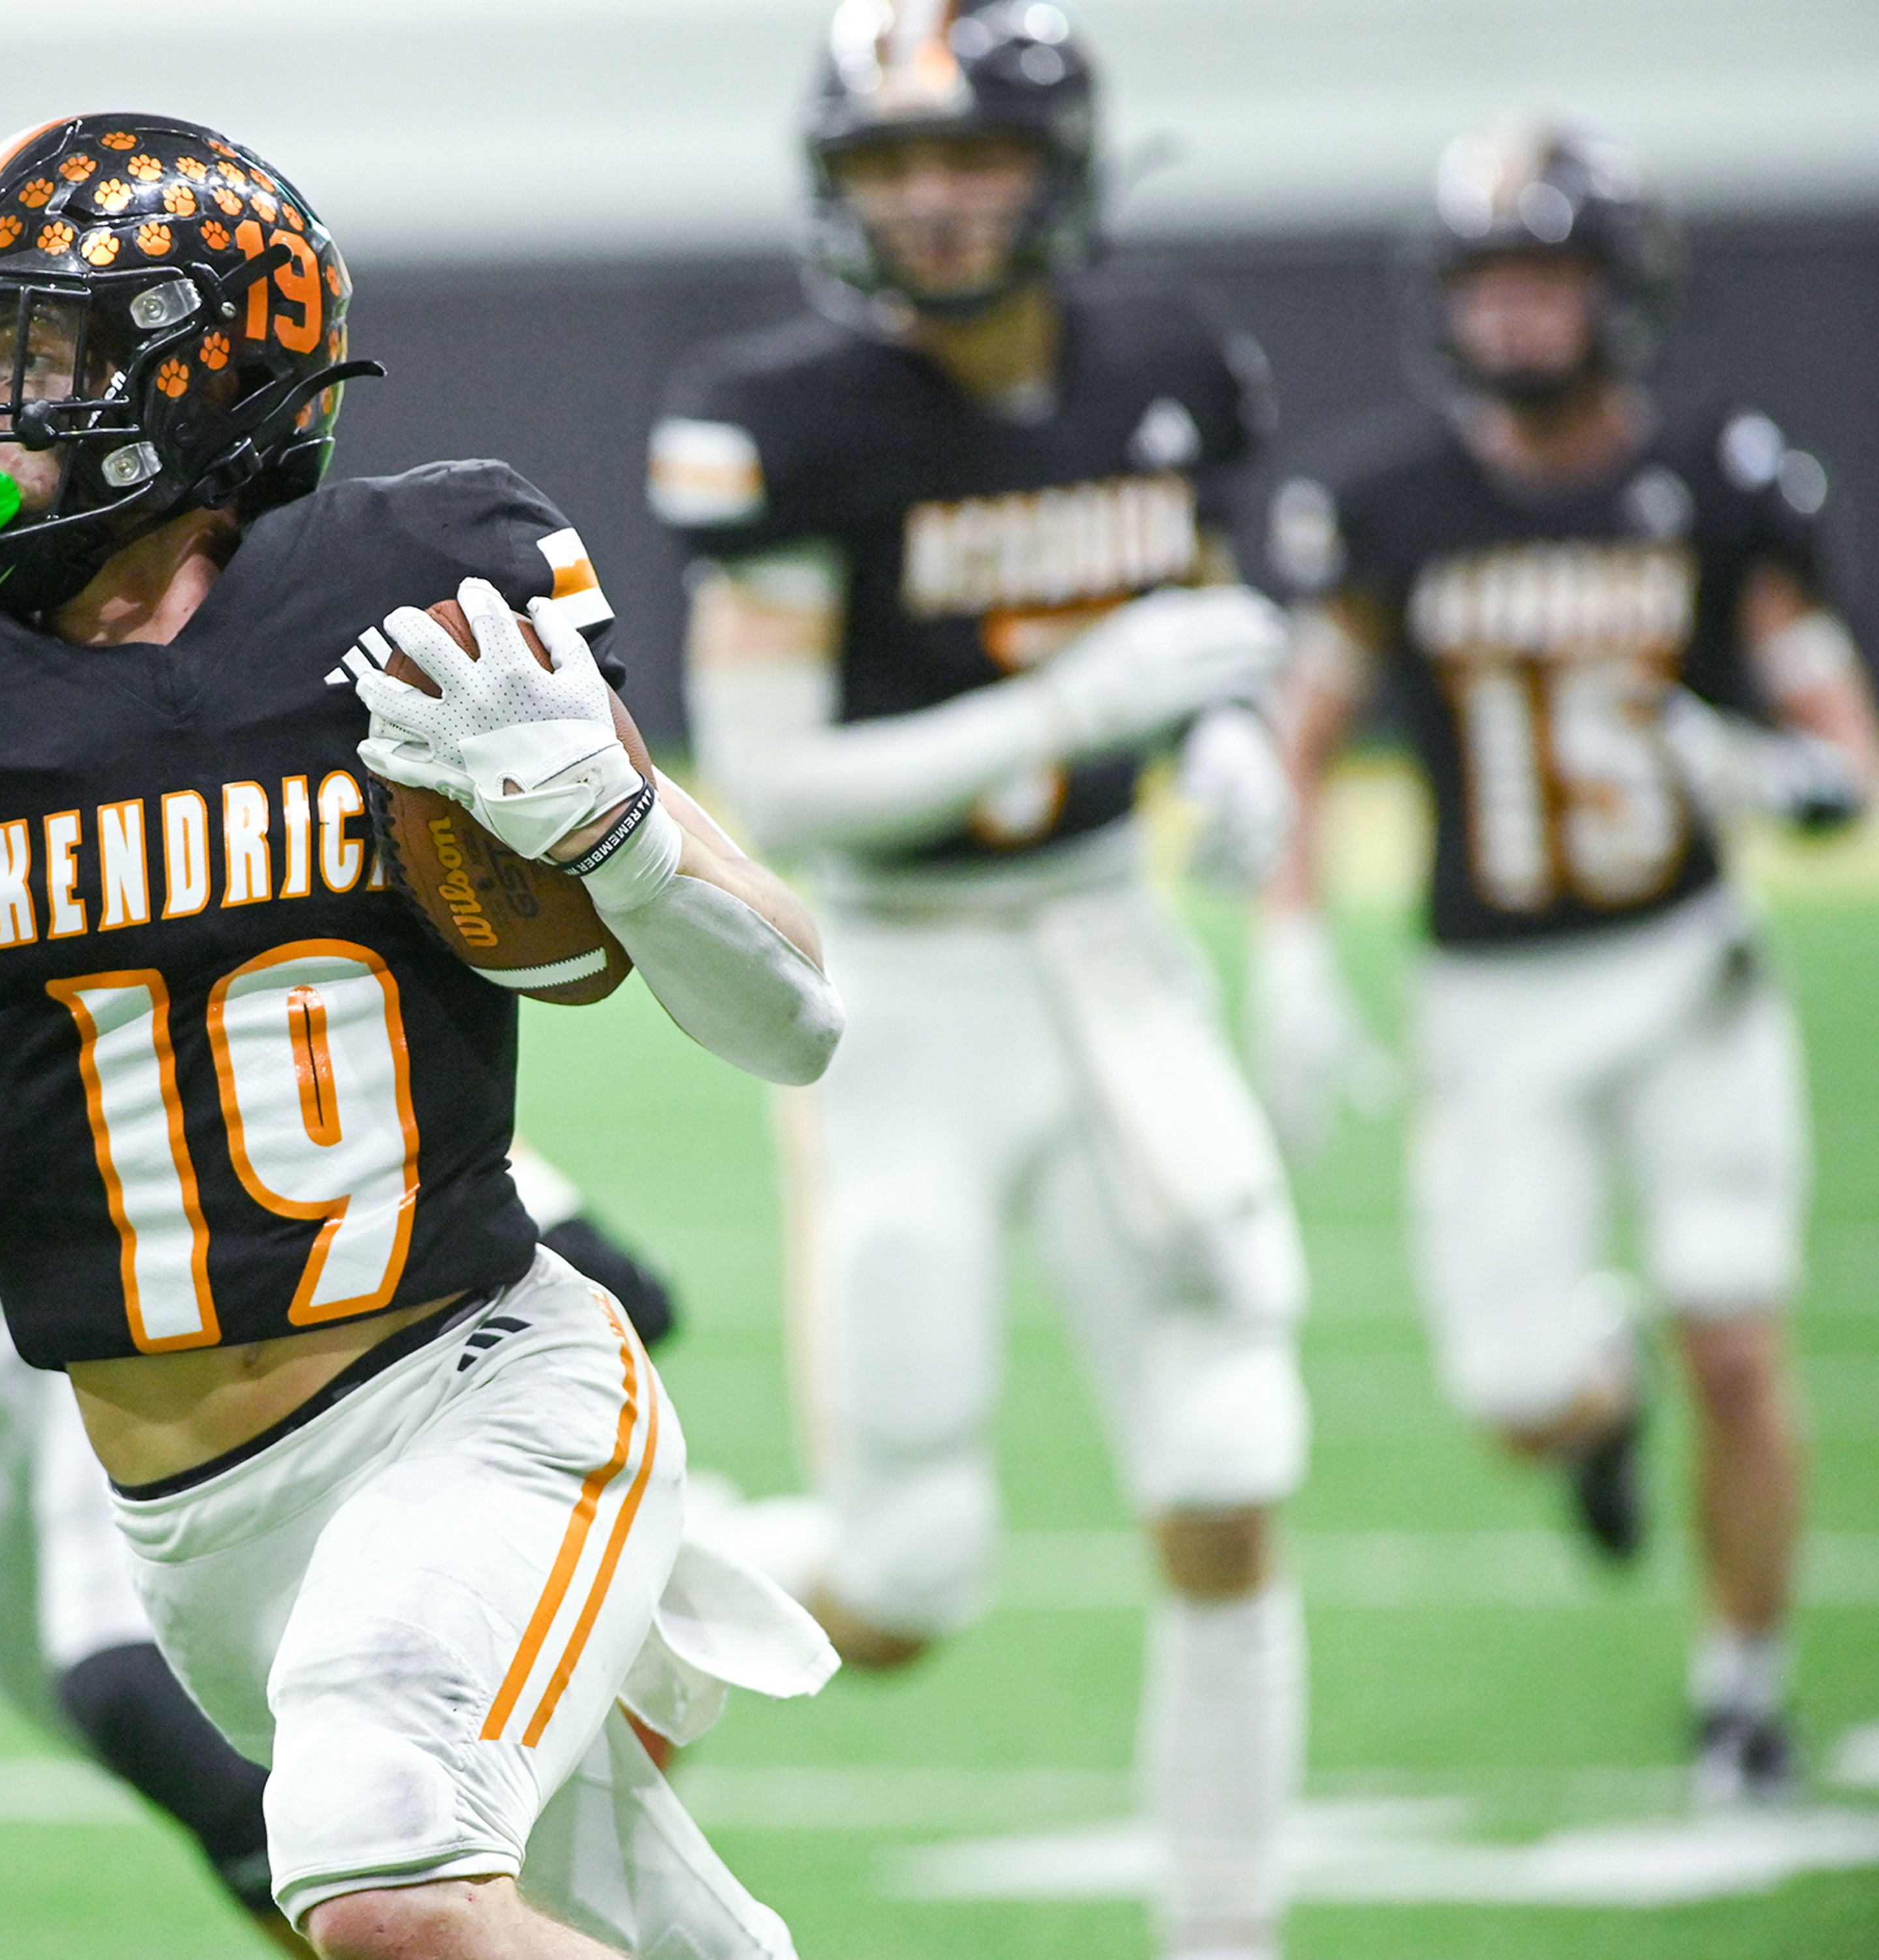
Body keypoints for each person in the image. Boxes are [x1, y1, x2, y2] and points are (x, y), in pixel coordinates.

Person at [0, 113, 842, 1960]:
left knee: (387, 1900)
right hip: (185, 1524)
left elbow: (793, 1017)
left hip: (477, 1399)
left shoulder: (424, 592)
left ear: (207, 379)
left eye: (37, 355)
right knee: (653, 1934)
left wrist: (615, 828)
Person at [650, 9, 1307, 1957]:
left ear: (1064, 168)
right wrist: (1081, 701)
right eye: (887, 169)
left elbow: (1211, 594)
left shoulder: (1167, 357)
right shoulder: (789, 415)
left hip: (1111, 949)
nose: (931, 204)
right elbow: (770, 779)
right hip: (903, 990)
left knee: (1229, 1458)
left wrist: (1228, 734)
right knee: (910, 1573)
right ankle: (580, 1637)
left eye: (973, 162)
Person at [1254, 121, 1877, 1805]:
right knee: (1520, 1393)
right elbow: (1293, 741)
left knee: (1737, 1340)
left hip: (1690, 970)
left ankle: (1744, 1694)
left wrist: (1816, 779)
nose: (1521, 318)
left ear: (1617, 290)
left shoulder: (1717, 478)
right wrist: (1293, 945)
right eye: (1493, 284)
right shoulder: (1385, 502)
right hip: (1494, 999)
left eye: (1549, 279)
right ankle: (1597, 1421)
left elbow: (1826, 710)